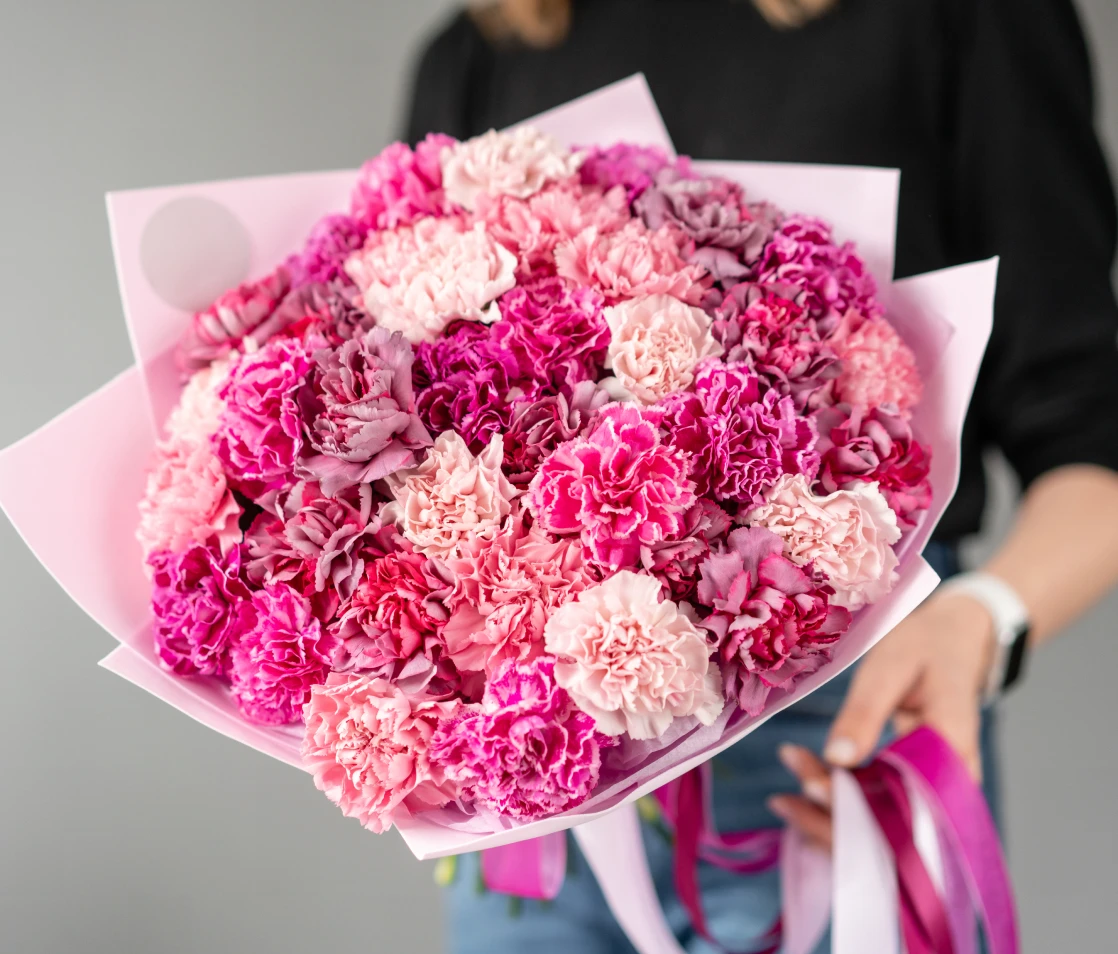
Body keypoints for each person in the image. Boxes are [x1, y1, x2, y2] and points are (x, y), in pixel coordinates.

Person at [403, 1, 1118, 950]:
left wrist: (979, 622)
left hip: (839, 721)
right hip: (538, 784)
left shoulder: (965, 20)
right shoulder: (487, 44)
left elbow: (1092, 438)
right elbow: (412, 404)